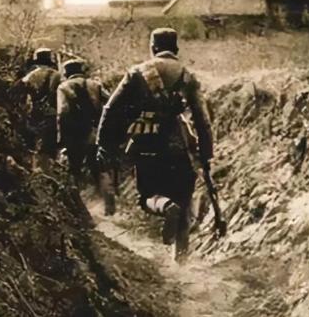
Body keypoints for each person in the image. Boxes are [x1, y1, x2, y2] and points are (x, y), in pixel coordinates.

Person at [96, 28, 213, 261]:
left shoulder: (137, 73)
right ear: (176, 48)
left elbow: (111, 109)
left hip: (147, 144)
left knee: (147, 196)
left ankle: (165, 206)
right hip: (179, 146)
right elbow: (202, 119)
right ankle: (181, 264)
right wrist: (206, 154)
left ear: (153, 48)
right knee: (184, 202)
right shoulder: (187, 76)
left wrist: (104, 144)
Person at [56, 57, 115, 215]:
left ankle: (80, 211)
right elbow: (110, 103)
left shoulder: (64, 87)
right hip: (95, 131)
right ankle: (110, 206)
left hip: (75, 135)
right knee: (100, 167)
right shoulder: (95, 85)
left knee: (73, 170)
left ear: (66, 73)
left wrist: (61, 139)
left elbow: (62, 113)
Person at [21, 48, 61, 164]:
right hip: (52, 115)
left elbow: (18, 93)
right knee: (50, 148)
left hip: (34, 114)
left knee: (34, 148)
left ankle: (36, 167)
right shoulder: (57, 76)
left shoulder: (30, 76)